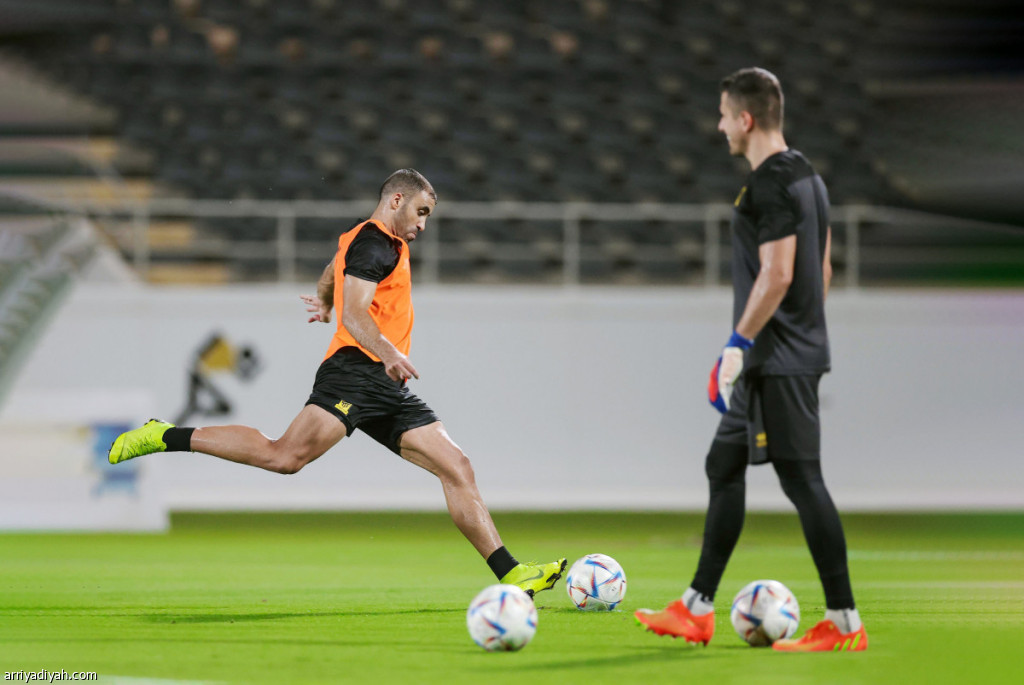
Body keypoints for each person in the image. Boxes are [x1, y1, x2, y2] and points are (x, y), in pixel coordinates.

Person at [108, 169, 566, 598]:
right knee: (283, 456)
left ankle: (511, 572)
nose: (423, 225)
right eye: (421, 212)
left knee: (457, 467)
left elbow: (334, 268)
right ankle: (164, 435)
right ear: (397, 200)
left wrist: (326, 299)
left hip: (384, 384)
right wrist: (386, 349)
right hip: (356, 372)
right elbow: (356, 313)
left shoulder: (362, 237)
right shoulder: (376, 245)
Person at [635, 69, 868, 652]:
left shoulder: (770, 183)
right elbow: (823, 270)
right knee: (723, 465)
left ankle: (845, 624)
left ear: (745, 118)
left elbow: (779, 273)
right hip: (783, 352)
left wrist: (738, 345)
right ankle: (696, 609)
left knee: (802, 480)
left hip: (775, 359)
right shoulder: (808, 175)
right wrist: (797, 333)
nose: (719, 126)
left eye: (723, 115)